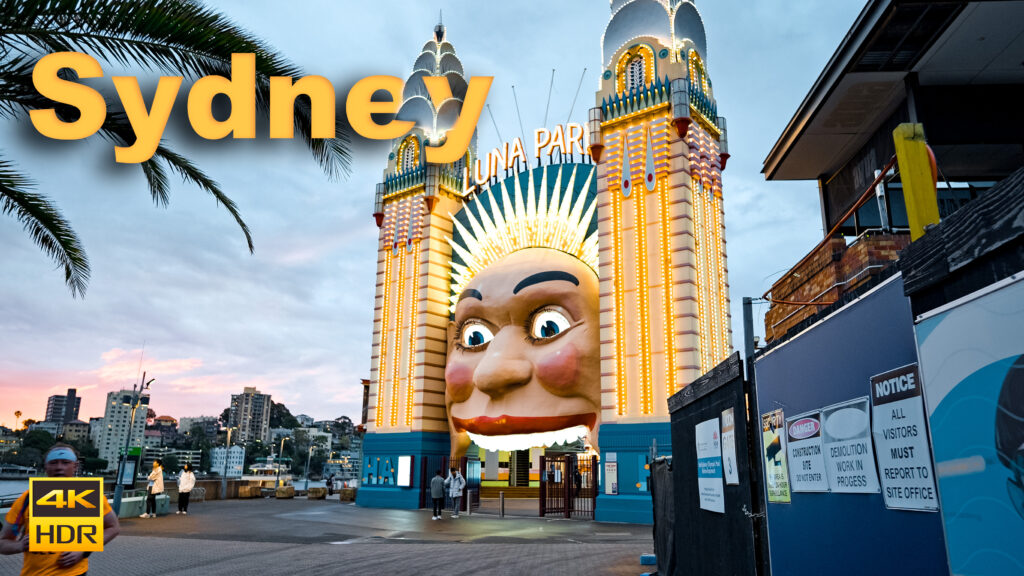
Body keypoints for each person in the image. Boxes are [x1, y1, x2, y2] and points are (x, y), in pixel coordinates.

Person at [0, 443, 120, 575]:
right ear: (46, 466)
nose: (59, 467)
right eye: (53, 462)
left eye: (65, 462)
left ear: (75, 466)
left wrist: (83, 551)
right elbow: (3, 542)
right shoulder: (27, 498)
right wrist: (20, 545)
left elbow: (113, 528)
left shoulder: (90, 496)